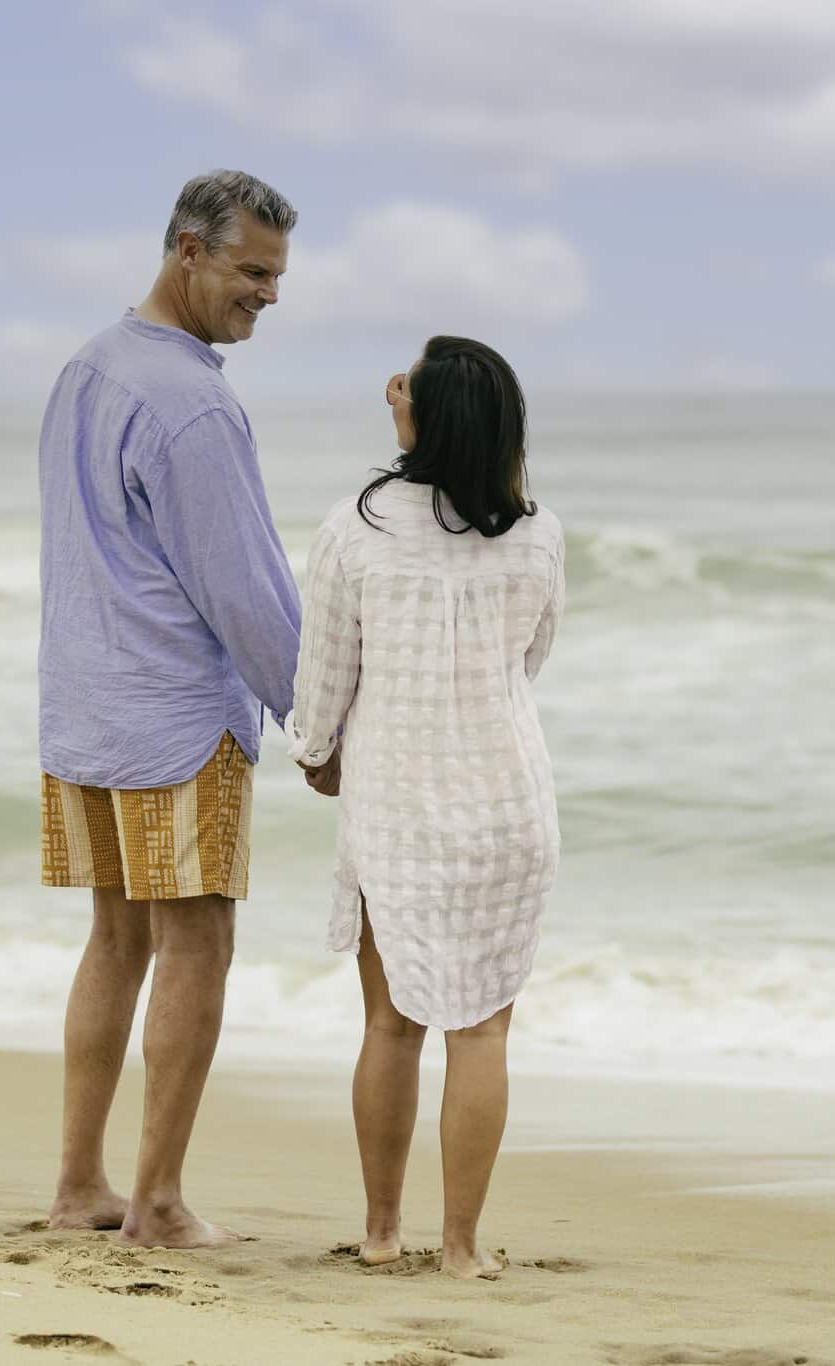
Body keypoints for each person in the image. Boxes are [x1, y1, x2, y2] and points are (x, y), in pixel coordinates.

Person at [36, 170, 305, 1248]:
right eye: (251, 272)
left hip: (83, 704)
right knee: (195, 944)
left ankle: (77, 1188)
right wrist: (312, 721)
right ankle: (153, 1202)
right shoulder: (192, 403)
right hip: (174, 716)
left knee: (113, 940)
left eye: (276, 276)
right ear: (186, 252)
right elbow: (240, 586)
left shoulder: (84, 368)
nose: (267, 297)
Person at [288, 337, 564, 1281]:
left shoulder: (356, 528)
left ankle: (379, 1233)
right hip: (508, 807)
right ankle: (461, 1249)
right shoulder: (537, 532)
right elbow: (529, 660)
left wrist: (318, 755)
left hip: (399, 804)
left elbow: (322, 677)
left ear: (426, 413)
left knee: (391, 1025)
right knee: (482, 1031)